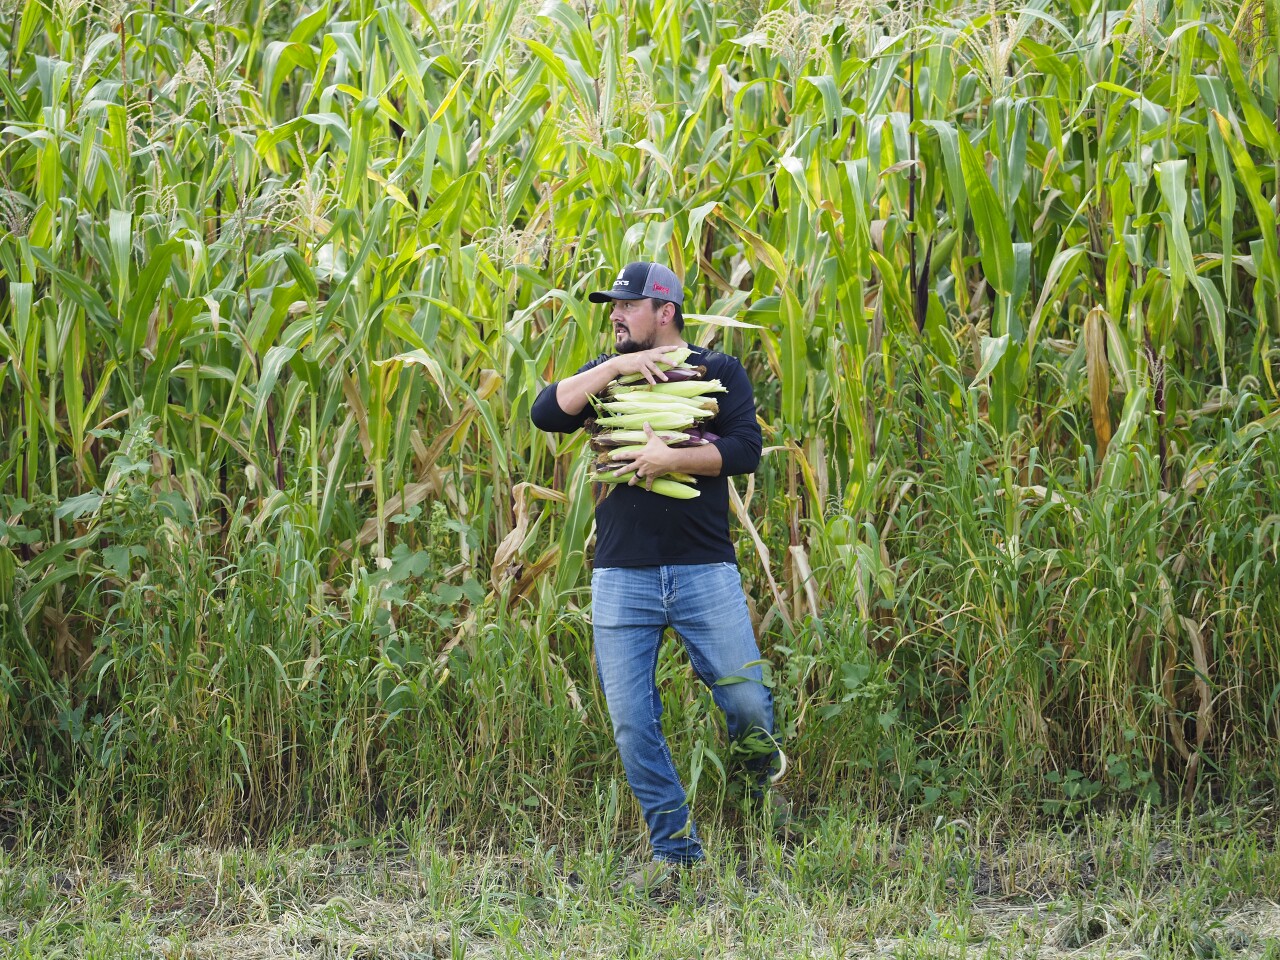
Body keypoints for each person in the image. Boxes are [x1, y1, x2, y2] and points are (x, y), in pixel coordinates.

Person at [530, 261, 783, 885]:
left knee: (747, 701)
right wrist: (616, 369)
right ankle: (675, 853)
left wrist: (671, 458)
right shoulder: (607, 376)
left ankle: (758, 796)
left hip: (704, 568)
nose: (616, 315)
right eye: (613, 306)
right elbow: (546, 412)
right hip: (623, 573)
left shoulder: (716, 371)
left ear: (665, 311)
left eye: (628, 305)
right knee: (632, 723)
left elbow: (746, 450)